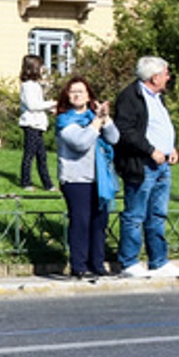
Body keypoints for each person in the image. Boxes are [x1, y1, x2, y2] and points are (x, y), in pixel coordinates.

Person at [114, 56, 179, 279]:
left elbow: (160, 126)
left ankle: (159, 260)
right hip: (142, 165)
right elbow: (126, 131)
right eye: (166, 73)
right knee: (135, 214)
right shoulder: (130, 97)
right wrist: (150, 150)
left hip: (163, 164)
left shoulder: (158, 98)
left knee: (158, 214)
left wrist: (171, 148)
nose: (168, 77)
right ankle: (129, 262)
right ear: (154, 77)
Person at [54, 75, 117, 280]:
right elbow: (81, 142)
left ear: (89, 95)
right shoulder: (65, 120)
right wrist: (96, 122)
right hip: (76, 178)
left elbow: (114, 138)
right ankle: (79, 264)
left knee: (99, 222)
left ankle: (97, 263)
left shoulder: (94, 117)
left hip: (100, 178)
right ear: (67, 96)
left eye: (81, 91)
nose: (77, 95)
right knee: (80, 222)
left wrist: (105, 119)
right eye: (73, 92)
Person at [18, 55, 55, 191]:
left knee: (42, 156)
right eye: (40, 67)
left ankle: (48, 184)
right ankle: (25, 182)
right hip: (31, 124)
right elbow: (33, 105)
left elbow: (38, 104)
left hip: (38, 125)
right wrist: (51, 104)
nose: (42, 70)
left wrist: (50, 108)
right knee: (30, 154)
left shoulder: (36, 86)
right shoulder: (27, 86)